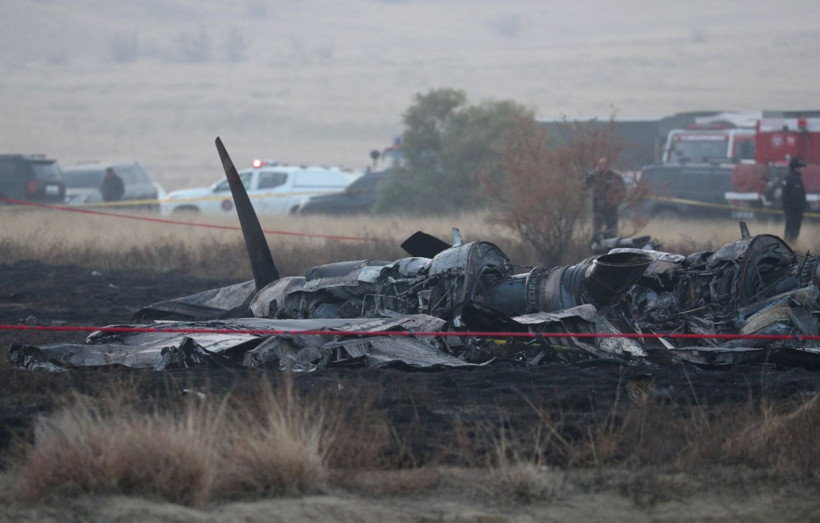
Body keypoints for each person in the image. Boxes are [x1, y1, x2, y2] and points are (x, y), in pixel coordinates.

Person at [586, 156, 626, 240]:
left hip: (611, 210)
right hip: (598, 210)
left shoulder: (616, 177)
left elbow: (623, 192)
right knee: (597, 233)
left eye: (605, 164)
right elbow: (585, 186)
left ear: (609, 165)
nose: (603, 167)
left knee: (612, 233)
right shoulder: (594, 176)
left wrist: (617, 200)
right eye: (601, 164)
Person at [781, 157, 807, 243]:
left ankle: (788, 245)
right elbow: (796, 197)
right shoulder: (794, 179)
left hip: (790, 210)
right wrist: (800, 208)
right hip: (795, 211)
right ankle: (790, 246)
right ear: (795, 167)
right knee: (793, 232)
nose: (801, 169)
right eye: (800, 167)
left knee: (789, 230)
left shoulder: (788, 178)